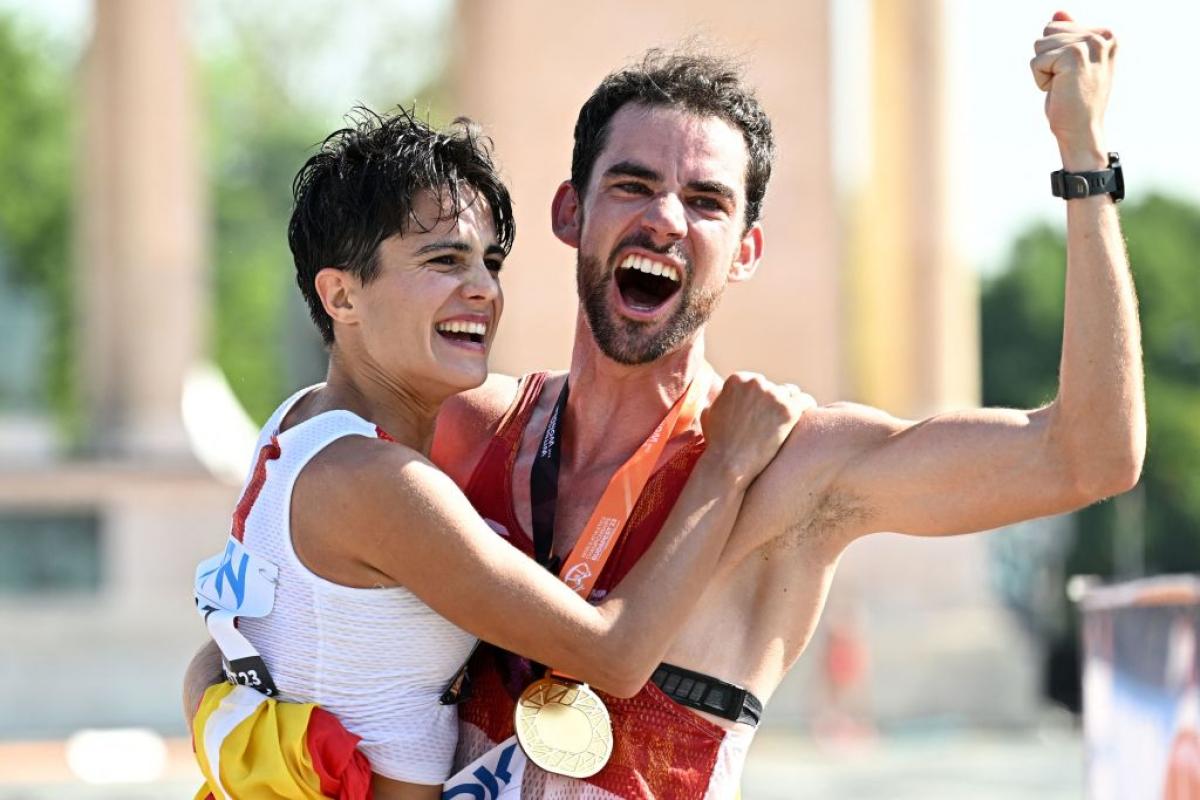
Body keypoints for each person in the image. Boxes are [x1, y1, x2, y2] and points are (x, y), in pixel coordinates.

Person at [187, 11, 1144, 799]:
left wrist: (1085, 163)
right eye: (634, 185)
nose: (666, 220)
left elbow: (1087, 457)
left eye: (708, 201)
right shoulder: (459, 427)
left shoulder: (795, 465)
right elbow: (266, 627)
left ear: (748, 250)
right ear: (572, 214)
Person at [187, 109, 810, 800]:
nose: (482, 288)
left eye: (490, 261)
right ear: (341, 295)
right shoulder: (377, 482)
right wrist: (726, 463)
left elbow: (218, 656)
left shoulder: (298, 422)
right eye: (444, 260)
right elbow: (613, 653)